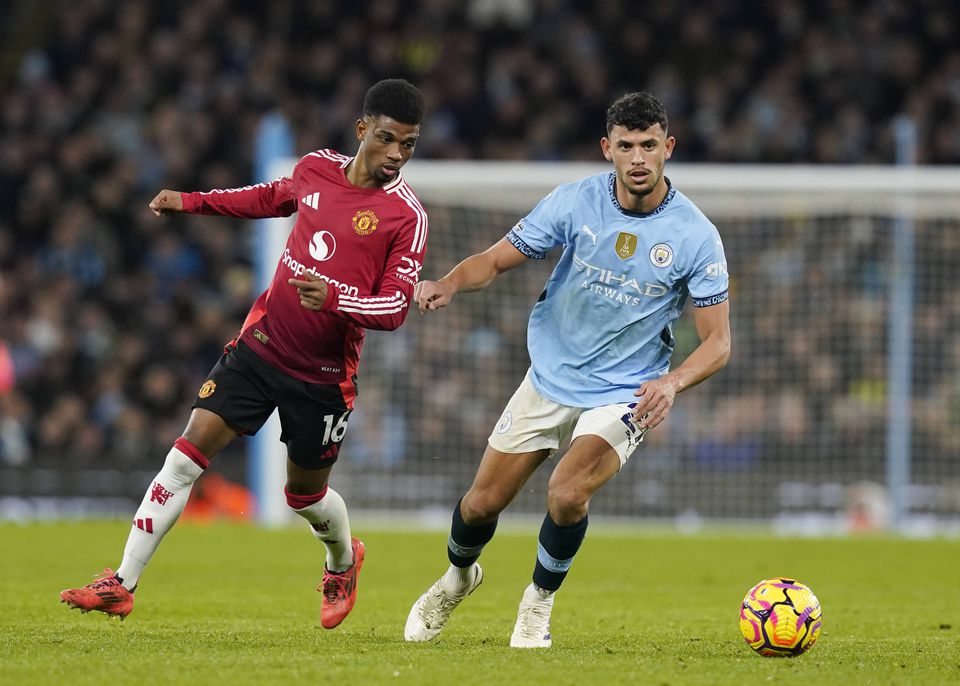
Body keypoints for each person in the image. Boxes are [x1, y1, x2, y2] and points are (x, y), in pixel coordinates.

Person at [60, 79, 428, 628]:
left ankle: (344, 560)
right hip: (259, 350)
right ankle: (122, 582)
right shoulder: (316, 169)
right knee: (184, 459)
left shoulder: (406, 217)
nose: (397, 155)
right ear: (362, 131)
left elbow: (395, 309)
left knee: (304, 497)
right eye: (388, 139)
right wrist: (192, 201)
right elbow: (265, 198)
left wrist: (336, 297)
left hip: (324, 378)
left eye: (409, 144)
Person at [404, 92, 731, 648]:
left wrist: (673, 381)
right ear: (607, 148)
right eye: (625, 146)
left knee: (566, 491)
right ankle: (458, 578)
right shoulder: (574, 202)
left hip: (625, 391)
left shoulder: (695, 235)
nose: (637, 158)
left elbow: (718, 342)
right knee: (481, 504)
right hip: (549, 377)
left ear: (668, 148)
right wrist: (449, 282)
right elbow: (496, 258)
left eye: (649, 145)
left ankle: (537, 604)